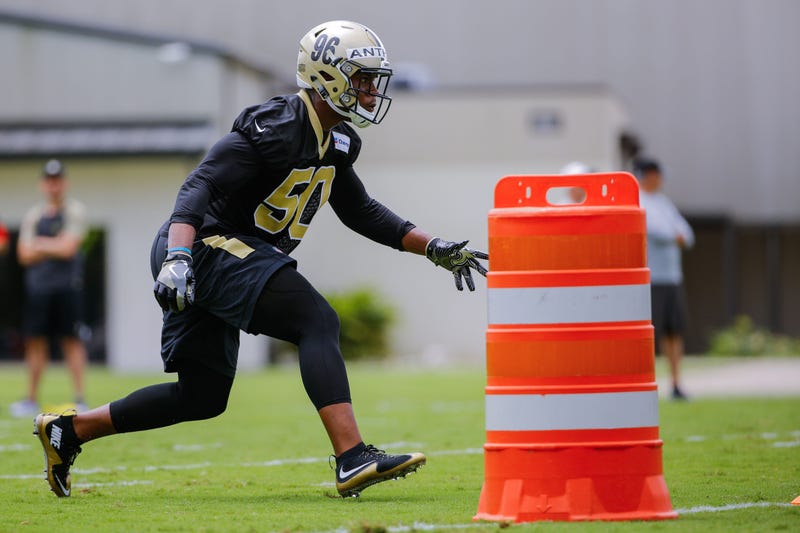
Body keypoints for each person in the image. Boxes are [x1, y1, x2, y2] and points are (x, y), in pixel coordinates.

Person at [32, 20, 488, 499]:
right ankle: (352, 456)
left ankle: (70, 431)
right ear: (328, 76)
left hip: (218, 253)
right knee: (316, 319)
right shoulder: (277, 125)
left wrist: (433, 246)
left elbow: (361, 211)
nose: (372, 91)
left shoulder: (338, 140)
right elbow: (199, 184)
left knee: (202, 396)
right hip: (201, 246)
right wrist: (179, 256)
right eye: (362, 78)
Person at [11, 160, 89, 418]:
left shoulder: (75, 211)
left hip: (67, 288)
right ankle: (30, 399)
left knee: (71, 341)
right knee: (35, 342)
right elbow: (23, 254)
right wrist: (53, 244)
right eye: (49, 180)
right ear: (43, 184)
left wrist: (39, 245)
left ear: (64, 183)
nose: (53, 185)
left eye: (57, 180)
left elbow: (68, 248)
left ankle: (80, 398)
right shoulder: (34, 215)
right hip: (39, 289)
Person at [635, 158, 694, 400]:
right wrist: (674, 236)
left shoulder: (663, 202)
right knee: (648, 335)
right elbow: (656, 231)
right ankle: (645, 383)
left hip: (672, 277)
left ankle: (676, 383)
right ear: (648, 175)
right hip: (651, 279)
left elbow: (687, 235)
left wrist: (677, 236)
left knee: (674, 331)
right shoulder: (639, 201)